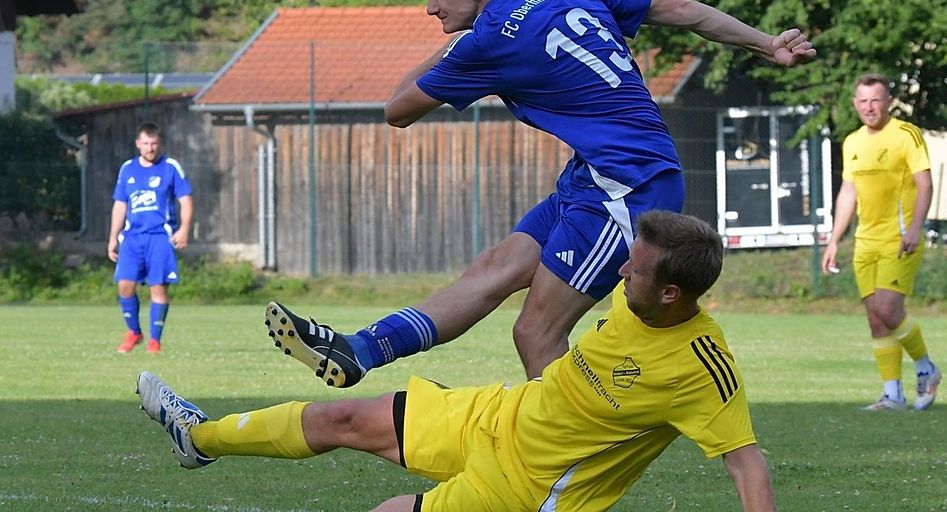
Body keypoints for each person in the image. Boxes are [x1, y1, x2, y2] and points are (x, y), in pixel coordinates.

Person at [281, 0, 816, 388]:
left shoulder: (488, 41)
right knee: (492, 270)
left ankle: (568, 473)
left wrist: (455, 48)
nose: (429, 7)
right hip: (596, 176)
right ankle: (360, 351)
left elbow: (397, 109)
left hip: (626, 187)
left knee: (536, 332)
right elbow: (682, 10)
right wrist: (766, 43)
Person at [138, 211, 776, 511]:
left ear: (672, 293)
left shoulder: (701, 367)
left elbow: (747, 466)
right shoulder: (636, 288)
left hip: (525, 490)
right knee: (341, 418)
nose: (620, 270)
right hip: (495, 415)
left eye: (633, 271)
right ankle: (197, 438)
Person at [821, 73, 941, 411]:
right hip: (865, 241)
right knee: (875, 317)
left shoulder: (906, 134)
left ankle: (926, 368)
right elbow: (848, 192)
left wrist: (916, 229)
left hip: (899, 238)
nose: (869, 107)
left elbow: (925, 183)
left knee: (889, 309)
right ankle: (893, 395)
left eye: (875, 100)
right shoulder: (853, 142)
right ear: (855, 104)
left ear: (888, 101)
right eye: (863, 101)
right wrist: (833, 241)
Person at [108, 121, 193, 354]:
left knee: (159, 288)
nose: (150, 148)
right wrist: (113, 237)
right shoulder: (127, 169)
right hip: (132, 238)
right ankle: (134, 332)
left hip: (159, 237)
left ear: (159, 143)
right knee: (125, 285)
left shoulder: (170, 167)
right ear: (138, 144)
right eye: (145, 143)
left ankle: (155, 340)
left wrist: (184, 229)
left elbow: (185, 200)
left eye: (154, 143)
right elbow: (120, 204)